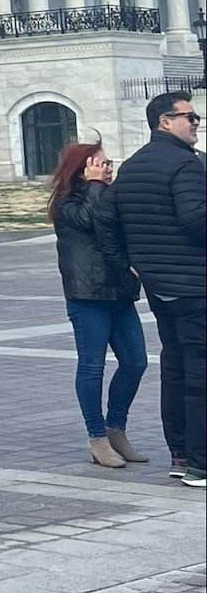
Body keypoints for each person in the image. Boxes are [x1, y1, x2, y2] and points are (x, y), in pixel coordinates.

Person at [113, 92, 206, 488]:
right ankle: (201, 464)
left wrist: (137, 264)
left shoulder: (132, 167)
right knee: (200, 371)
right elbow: (195, 219)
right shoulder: (185, 163)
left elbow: (112, 223)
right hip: (195, 284)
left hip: (160, 286)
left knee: (175, 366)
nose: (196, 122)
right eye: (189, 117)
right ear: (164, 122)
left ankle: (181, 454)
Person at [47, 140, 147, 471]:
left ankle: (115, 428)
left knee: (136, 363)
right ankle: (96, 438)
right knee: (92, 366)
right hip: (87, 296)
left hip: (120, 292)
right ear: (82, 169)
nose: (107, 168)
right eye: (100, 163)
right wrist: (93, 186)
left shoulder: (108, 195)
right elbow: (90, 221)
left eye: (108, 162)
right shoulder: (67, 203)